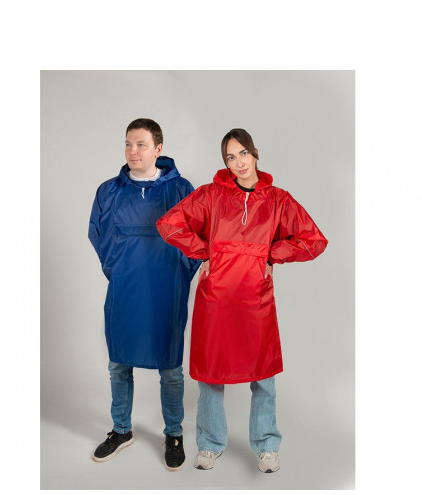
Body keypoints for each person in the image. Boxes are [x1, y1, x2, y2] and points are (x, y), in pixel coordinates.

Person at [156, 128, 328, 473]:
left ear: (255, 152)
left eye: (243, 154)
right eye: (230, 157)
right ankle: (209, 443)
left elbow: (314, 240)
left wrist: (271, 254)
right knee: (211, 373)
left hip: (254, 297)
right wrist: (205, 251)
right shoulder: (210, 196)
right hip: (217, 296)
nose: (239, 163)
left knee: (263, 374)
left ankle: (267, 445)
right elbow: (169, 224)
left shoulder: (278, 200)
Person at [88, 118, 201, 471]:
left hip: (166, 291)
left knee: (171, 368)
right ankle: (121, 430)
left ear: (158, 149)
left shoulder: (181, 190)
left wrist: (178, 274)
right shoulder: (109, 191)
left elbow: (198, 238)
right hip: (124, 290)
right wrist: (119, 269)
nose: (132, 151)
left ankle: (174, 434)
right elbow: (98, 234)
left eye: (140, 144)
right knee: (118, 364)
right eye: (128, 144)